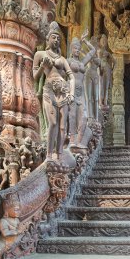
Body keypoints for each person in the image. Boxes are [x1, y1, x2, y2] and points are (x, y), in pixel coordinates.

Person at [33, 22, 75, 162]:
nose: (56, 40)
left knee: (63, 126)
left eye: (58, 38)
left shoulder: (62, 59)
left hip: (63, 92)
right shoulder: (40, 54)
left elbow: (71, 77)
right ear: (48, 39)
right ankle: (49, 155)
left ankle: (60, 153)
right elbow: (35, 76)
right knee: (53, 123)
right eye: (54, 37)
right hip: (49, 91)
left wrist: (71, 93)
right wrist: (42, 67)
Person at [67, 32, 96, 146]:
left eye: (79, 48)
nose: (77, 50)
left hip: (81, 92)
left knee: (84, 117)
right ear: (71, 49)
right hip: (71, 89)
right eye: (75, 48)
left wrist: (85, 41)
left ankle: (78, 141)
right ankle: (72, 140)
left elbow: (93, 51)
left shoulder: (82, 62)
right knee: (72, 115)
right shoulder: (68, 61)